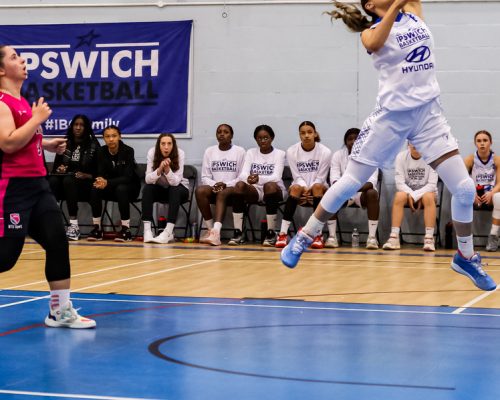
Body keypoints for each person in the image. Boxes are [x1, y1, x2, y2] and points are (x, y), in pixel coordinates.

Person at [281, 0, 497, 291]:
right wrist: (394, 6)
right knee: (350, 182)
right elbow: (377, 39)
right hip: (391, 118)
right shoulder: (370, 32)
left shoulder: (413, 14)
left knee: (465, 188)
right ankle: (305, 236)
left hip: (428, 114)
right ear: (370, 4)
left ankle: (466, 256)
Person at [0, 45, 95, 328]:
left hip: (38, 186)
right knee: (5, 258)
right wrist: (37, 119)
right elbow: (7, 142)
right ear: (2, 70)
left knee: (57, 241)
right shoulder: (2, 103)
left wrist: (46, 142)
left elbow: (24, 138)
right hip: (14, 189)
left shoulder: (23, 102)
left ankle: (59, 310)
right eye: (15, 57)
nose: (23, 60)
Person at [275, 121, 332, 249]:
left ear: (315, 134)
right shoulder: (291, 151)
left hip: (319, 187)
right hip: (300, 188)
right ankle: (283, 234)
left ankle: (318, 235)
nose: (306, 135)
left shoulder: (325, 152)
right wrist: (305, 190)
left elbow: (321, 178)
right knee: (295, 187)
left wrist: (310, 190)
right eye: (303, 133)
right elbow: (297, 176)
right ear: (299, 135)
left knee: (317, 187)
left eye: (310, 132)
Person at [230, 124, 286, 246]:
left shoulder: (280, 154)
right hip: (255, 190)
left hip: (274, 191)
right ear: (256, 139)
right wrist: (249, 178)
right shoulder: (251, 152)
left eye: (266, 138)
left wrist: (258, 178)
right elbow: (243, 174)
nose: (262, 141)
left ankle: (271, 233)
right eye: (259, 138)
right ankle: (238, 232)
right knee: (239, 185)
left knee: (270, 185)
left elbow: (276, 177)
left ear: (272, 138)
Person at [48, 114, 100, 241]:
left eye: (81, 125)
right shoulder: (65, 143)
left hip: (85, 185)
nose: (78, 128)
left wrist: (87, 175)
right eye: (76, 125)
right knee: (53, 180)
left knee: (68, 180)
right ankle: (53, 223)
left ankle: (74, 226)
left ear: (86, 128)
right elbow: (55, 169)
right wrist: (60, 169)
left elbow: (100, 172)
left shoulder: (93, 144)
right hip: (66, 185)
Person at [327, 128, 380, 249]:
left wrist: (352, 188)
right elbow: (334, 179)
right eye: (350, 139)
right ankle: (331, 237)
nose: (353, 141)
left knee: (372, 193)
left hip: (362, 194)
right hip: (343, 192)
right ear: (345, 142)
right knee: (331, 192)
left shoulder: (371, 157)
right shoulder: (338, 155)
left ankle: (372, 238)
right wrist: (346, 189)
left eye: (356, 138)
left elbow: (372, 182)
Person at [88, 125, 141, 242]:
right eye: (107, 136)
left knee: (121, 189)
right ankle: (97, 228)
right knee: (95, 188)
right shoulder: (101, 151)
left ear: (119, 137)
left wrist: (107, 182)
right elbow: (100, 173)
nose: (111, 139)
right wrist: (101, 181)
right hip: (110, 187)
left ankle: (126, 229)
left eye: (114, 136)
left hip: (130, 188)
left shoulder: (128, 151)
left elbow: (127, 177)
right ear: (104, 138)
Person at [196, 124, 245, 246]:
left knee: (224, 192)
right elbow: (205, 177)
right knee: (200, 190)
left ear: (231, 135)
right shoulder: (209, 151)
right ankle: (211, 230)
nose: (222, 134)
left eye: (226, 132)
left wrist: (225, 185)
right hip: (215, 189)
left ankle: (216, 232)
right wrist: (215, 185)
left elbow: (242, 177)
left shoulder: (240, 151)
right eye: (219, 132)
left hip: (232, 191)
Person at [383, 143, 438, 251]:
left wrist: (414, 196)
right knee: (399, 196)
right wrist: (410, 195)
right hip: (407, 193)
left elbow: (432, 184)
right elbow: (399, 183)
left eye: (418, 141)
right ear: (408, 144)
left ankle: (429, 238)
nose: (416, 145)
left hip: (427, 193)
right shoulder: (401, 157)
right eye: (413, 142)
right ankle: (394, 237)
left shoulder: (432, 157)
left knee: (428, 197)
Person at [141, 133, 189, 244]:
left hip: (179, 190)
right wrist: (159, 169)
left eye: (169, 144)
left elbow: (176, 182)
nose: (166, 147)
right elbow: (148, 179)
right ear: (159, 145)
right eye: (163, 144)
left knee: (174, 189)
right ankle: (147, 231)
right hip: (160, 189)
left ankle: (168, 232)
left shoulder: (180, 153)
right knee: (147, 188)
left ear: (173, 145)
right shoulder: (152, 152)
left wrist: (167, 170)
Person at [464, 130, 500, 252]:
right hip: (474, 195)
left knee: (498, 197)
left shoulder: (496, 160)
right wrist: (472, 193)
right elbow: (463, 181)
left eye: (485, 140)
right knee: (459, 197)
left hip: (490, 195)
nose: (482, 143)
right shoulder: (469, 160)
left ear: (491, 142)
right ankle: (464, 239)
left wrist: (491, 193)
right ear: (475, 143)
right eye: (479, 141)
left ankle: (493, 236)